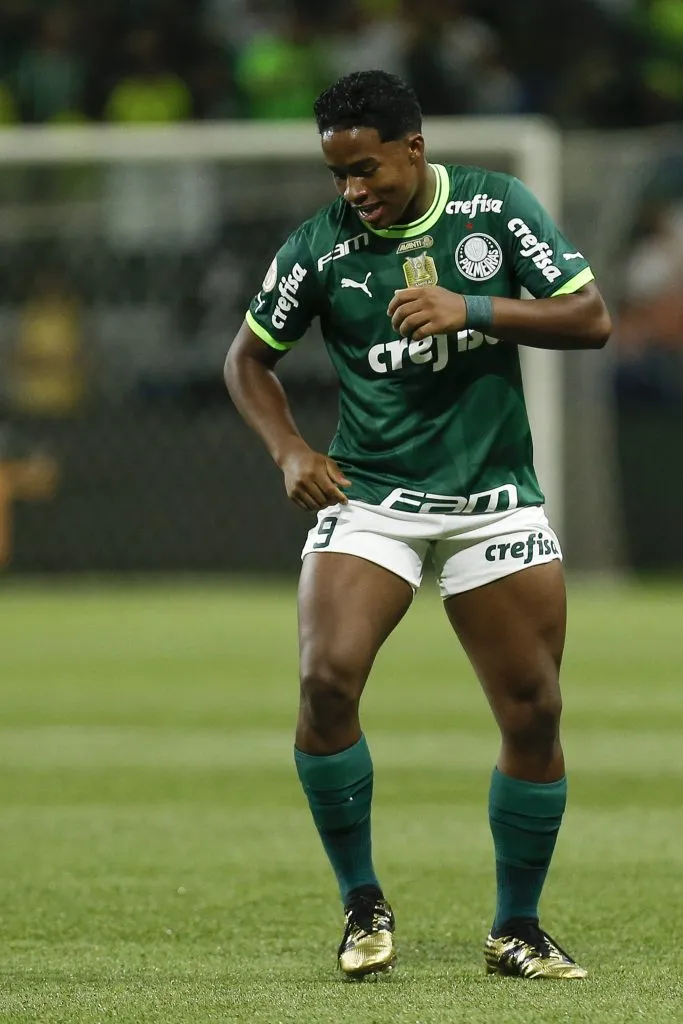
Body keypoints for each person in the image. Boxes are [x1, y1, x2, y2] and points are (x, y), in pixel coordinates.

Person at [224, 70, 611, 980]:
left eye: (367, 169)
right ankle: (362, 906)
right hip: (373, 499)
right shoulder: (318, 251)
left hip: (491, 500)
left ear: (413, 149)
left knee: (534, 708)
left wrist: (468, 307)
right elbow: (246, 361)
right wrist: (287, 449)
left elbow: (589, 318)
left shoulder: (495, 207)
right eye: (337, 175)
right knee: (325, 682)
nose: (353, 190)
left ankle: (516, 927)